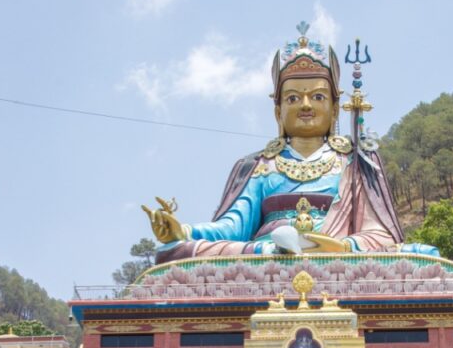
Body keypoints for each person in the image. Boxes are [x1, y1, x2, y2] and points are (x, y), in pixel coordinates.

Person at [144, 22, 436, 263]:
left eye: (318, 97)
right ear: (278, 111)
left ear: (335, 108)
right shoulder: (257, 165)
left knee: (422, 256)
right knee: (173, 252)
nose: (305, 105)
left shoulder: (357, 161)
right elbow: (232, 228)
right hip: (264, 256)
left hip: (336, 256)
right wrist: (181, 230)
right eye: (293, 98)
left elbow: (381, 236)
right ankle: (274, 252)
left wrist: (341, 248)